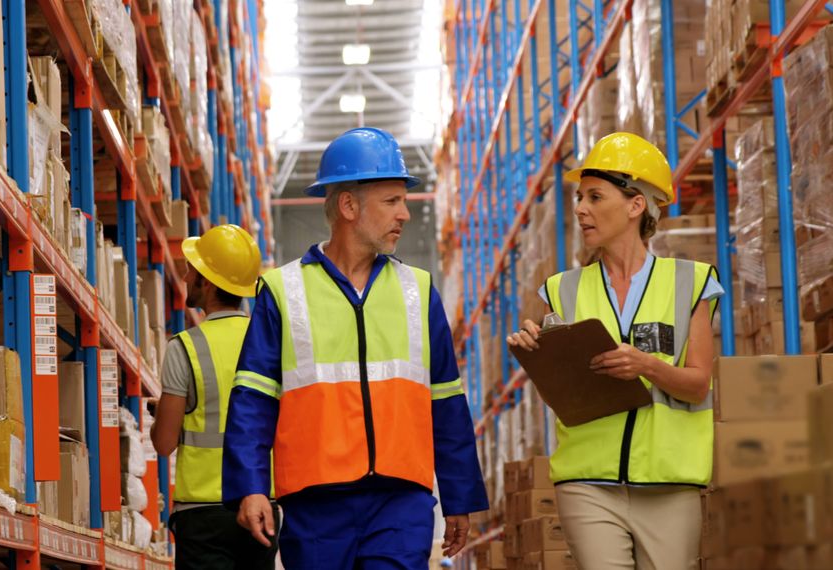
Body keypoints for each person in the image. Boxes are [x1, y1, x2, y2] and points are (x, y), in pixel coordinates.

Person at [222, 127, 488, 569]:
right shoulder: (283, 291)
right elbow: (253, 399)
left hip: (401, 499)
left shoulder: (418, 292)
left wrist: (458, 495)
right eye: (391, 201)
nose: (404, 213)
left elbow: (447, 402)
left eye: (404, 200)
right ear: (348, 206)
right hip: (316, 502)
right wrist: (250, 486)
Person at [507, 132, 723, 570]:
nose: (581, 208)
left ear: (635, 205)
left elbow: (699, 384)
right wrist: (536, 348)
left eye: (594, 196)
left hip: (669, 483)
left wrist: (646, 366)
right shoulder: (561, 289)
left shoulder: (691, 282)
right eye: (579, 197)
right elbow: (563, 386)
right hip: (588, 482)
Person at [149, 224, 277, 570]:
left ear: (207, 281)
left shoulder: (185, 347)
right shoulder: (269, 343)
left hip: (202, 513)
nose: (186, 276)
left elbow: (163, 444)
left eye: (192, 269)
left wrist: (160, 414)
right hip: (261, 504)